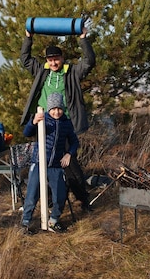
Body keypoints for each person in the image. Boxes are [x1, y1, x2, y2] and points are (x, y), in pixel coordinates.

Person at [20, 26, 95, 212]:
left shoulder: (71, 72)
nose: (54, 62)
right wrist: (28, 38)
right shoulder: (42, 71)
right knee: (44, 165)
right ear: (47, 60)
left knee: (71, 166)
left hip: (65, 124)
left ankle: (83, 200)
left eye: (57, 59)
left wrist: (83, 39)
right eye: (50, 59)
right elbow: (25, 59)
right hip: (44, 125)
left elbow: (89, 62)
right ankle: (50, 202)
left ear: (62, 58)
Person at [21, 93, 79, 233]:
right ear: (49, 109)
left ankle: (53, 221)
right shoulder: (42, 119)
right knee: (32, 194)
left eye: (59, 109)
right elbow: (27, 133)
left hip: (55, 165)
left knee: (60, 194)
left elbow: (74, 142)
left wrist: (68, 154)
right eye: (53, 109)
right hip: (38, 162)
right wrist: (33, 122)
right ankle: (25, 223)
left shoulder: (66, 123)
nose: (56, 112)